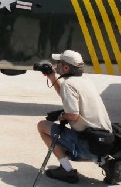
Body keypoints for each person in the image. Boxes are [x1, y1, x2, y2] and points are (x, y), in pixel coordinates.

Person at [36, 50, 112, 183]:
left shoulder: (68, 84)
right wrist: (52, 77)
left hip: (88, 143)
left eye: (59, 63)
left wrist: (60, 116)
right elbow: (67, 98)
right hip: (103, 141)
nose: (56, 65)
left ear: (66, 68)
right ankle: (105, 161)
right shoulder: (84, 80)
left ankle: (67, 171)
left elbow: (72, 115)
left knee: (42, 126)